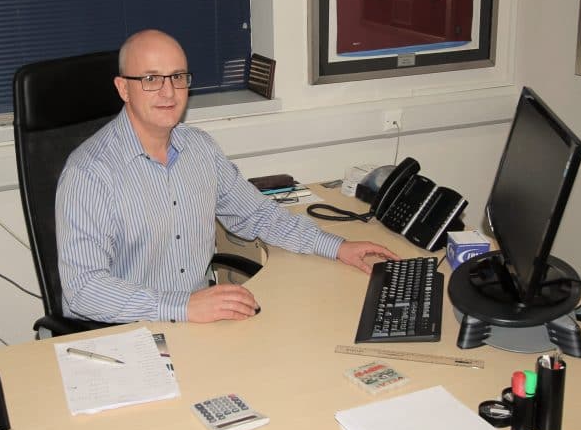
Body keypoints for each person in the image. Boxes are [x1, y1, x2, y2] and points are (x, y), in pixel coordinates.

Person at [55, 29, 400, 324]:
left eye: (178, 77)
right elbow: (83, 289)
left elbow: (257, 214)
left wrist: (337, 246)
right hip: (130, 334)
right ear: (123, 88)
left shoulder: (200, 150)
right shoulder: (89, 174)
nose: (169, 92)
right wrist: (183, 306)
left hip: (199, 324)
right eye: (150, 79)